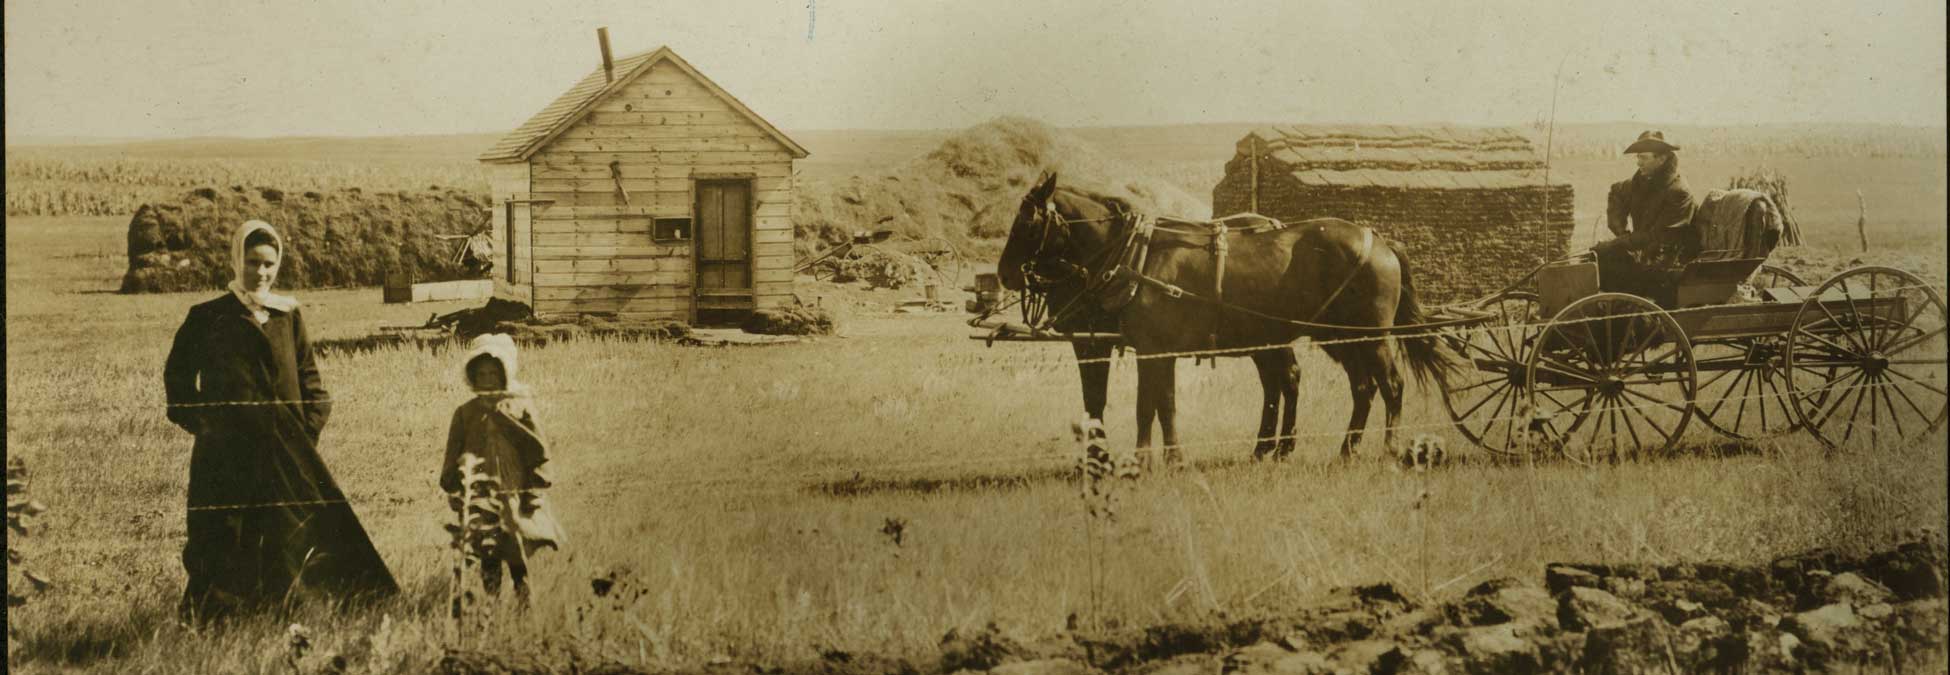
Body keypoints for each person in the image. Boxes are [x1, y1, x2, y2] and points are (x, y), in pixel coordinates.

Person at [164, 220, 397, 621]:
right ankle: (216, 619)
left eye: (269, 264)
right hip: (225, 452)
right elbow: (178, 380)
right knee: (221, 531)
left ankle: (288, 614)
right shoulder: (208, 316)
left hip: (286, 449)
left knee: (292, 531)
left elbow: (312, 382)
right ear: (237, 260)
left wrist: (303, 431)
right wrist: (208, 426)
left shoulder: (288, 316)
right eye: (253, 262)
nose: (261, 272)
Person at [439, 333, 564, 603]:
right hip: (480, 493)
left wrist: (536, 488)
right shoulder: (465, 413)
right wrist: (453, 484)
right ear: (471, 377)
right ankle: (492, 601)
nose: (487, 380)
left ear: (505, 374)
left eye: (493, 374)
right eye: (481, 375)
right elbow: (453, 451)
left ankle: (524, 599)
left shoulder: (519, 408)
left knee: (515, 547)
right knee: (488, 551)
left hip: (513, 491)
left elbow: (538, 449)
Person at [1593, 130, 1702, 303]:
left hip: (1672, 265)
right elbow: (1616, 192)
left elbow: (1660, 236)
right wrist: (1621, 231)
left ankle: (1629, 316)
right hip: (1650, 258)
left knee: (1605, 259)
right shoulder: (1642, 182)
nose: (1638, 163)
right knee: (1598, 257)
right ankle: (1619, 314)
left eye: (1643, 158)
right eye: (1637, 157)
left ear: (1661, 159)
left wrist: (1619, 242)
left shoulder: (1678, 192)